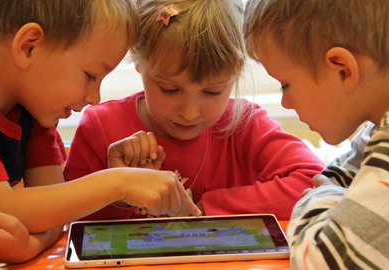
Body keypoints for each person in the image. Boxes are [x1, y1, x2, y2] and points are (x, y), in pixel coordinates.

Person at [0, 0, 200, 264]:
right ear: (29, 46)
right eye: (91, 75)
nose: (95, 98)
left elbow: (53, 214)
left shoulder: (33, 106)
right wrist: (120, 182)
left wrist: (28, 246)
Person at [63, 0, 325, 221]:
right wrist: (117, 194)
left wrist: (202, 207)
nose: (189, 113)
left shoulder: (244, 124)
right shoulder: (99, 127)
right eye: (169, 89)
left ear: (236, 75)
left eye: (212, 92)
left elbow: (316, 183)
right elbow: (66, 223)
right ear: (139, 63)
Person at [243, 0, 389, 269]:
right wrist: (334, 193)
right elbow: (340, 177)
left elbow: (318, 260)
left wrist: (324, 196)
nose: (285, 103)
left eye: (285, 84)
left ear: (342, 70)